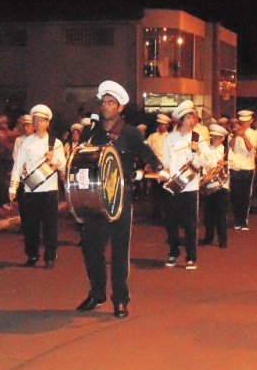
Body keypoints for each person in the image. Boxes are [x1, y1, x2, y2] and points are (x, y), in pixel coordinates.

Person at [74, 81, 162, 317]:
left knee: (120, 252)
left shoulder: (130, 133)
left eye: (110, 103)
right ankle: (97, 292)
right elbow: (80, 163)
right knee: (92, 249)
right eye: (103, 102)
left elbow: (150, 156)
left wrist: (153, 169)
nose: (105, 107)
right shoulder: (90, 133)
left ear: (120, 107)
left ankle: (120, 299)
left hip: (120, 199)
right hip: (94, 200)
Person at [9, 105, 66, 269]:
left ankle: (49, 257)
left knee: (50, 227)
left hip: (49, 189)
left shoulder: (55, 143)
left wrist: (53, 158)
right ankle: (32, 255)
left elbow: (63, 166)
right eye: (36, 120)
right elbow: (18, 165)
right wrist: (13, 188)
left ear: (48, 123)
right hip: (30, 189)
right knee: (30, 226)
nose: (39, 123)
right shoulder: (25, 142)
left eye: (42, 120)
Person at [161, 100, 215, 270]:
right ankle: (173, 252)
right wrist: (163, 175)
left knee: (190, 224)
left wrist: (198, 151)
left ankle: (191, 257)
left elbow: (210, 163)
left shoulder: (199, 138)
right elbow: (166, 162)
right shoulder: (169, 138)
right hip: (173, 186)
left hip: (191, 187)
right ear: (181, 120)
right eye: (189, 118)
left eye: (193, 117)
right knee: (171, 223)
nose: (192, 121)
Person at [199, 124, 230, 248]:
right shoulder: (206, 149)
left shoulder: (226, 150)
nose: (213, 139)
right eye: (212, 136)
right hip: (207, 185)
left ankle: (223, 240)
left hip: (221, 186)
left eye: (217, 137)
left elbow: (233, 164)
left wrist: (225, 163)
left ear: (222, 138)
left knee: (221, 215)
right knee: (208, 214)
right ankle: (209, 237)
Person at [228, 110, 257, 230]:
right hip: (235, 166)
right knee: (235, 195)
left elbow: (251, 148)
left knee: (245, 195)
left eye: (246, 121)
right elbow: (230, 145)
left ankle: (243, 221)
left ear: (251, 121)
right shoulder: (233, 133)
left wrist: (244, 136)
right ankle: (236, 220)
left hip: (248, 167)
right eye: (242, 121)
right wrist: (236, 135)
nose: (244, 123)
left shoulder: (255, 133)